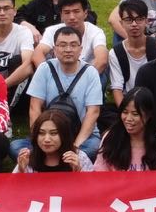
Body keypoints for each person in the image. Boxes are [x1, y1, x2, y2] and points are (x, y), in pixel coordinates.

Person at [20, 25, 104, 161]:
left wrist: (76, 146)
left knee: (93, 148)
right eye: (62, 45)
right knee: (16, 147)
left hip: (81, 135)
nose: (68, 50)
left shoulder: (90, 72)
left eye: (73, 45)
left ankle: (52, 160)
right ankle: (55, 159)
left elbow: (93, 112)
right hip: (49, 134)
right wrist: (39, 139)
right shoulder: (45, 68)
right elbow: (34, 107)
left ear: (80, 49)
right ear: (54, 49)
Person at [96, 88, 156, 171]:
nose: (128, 119)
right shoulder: (110, 138)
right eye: (125, 112)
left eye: (135, 114)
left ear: (149, 115)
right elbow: (100, 174)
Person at [32, 0, 109, 72]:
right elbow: (37, 54)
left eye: (76, 11)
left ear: (85, 13)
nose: (72, 17)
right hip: (58, 75)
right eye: (67, 12)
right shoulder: (52, 31)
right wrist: (49, 76)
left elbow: (102, 60)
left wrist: (84, 78)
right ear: (61, 15)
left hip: (87, 74)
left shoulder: (95, 32)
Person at [106, 0, 156, 99]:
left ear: (146, 21)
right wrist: (125, 108)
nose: (134, 24)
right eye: (128, 20)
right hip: (130, 102)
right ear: (121, 23)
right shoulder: (116, 53)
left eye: (139, 19)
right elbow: (117, 89)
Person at [16, 108, 93, 173]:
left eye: (53, 133)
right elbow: (13, 184)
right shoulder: (28, 158)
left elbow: (92, 184)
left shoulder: (79, 157)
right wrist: (21, 170)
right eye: (41, 133)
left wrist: (78, 172)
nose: (47, 139)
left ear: (64, 135)